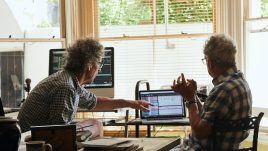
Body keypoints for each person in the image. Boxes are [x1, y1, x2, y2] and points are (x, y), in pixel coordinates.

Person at [17, 38, 151, 135]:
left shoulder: (69, 79)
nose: (99, 68)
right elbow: (59, 132)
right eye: (99, 63)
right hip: (33, 141)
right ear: (89, 64)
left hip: (42, 134)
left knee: (95, 124)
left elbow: (95, 102)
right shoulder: (66, 86)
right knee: (95, 126)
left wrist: (131, 103)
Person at [170, 34, 252, 151]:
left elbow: (199, 132)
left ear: (210, 63)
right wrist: (193, 94)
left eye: (205, 60)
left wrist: (190, 100)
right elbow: (207, 117)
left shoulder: (223, 90)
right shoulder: (241, 83)